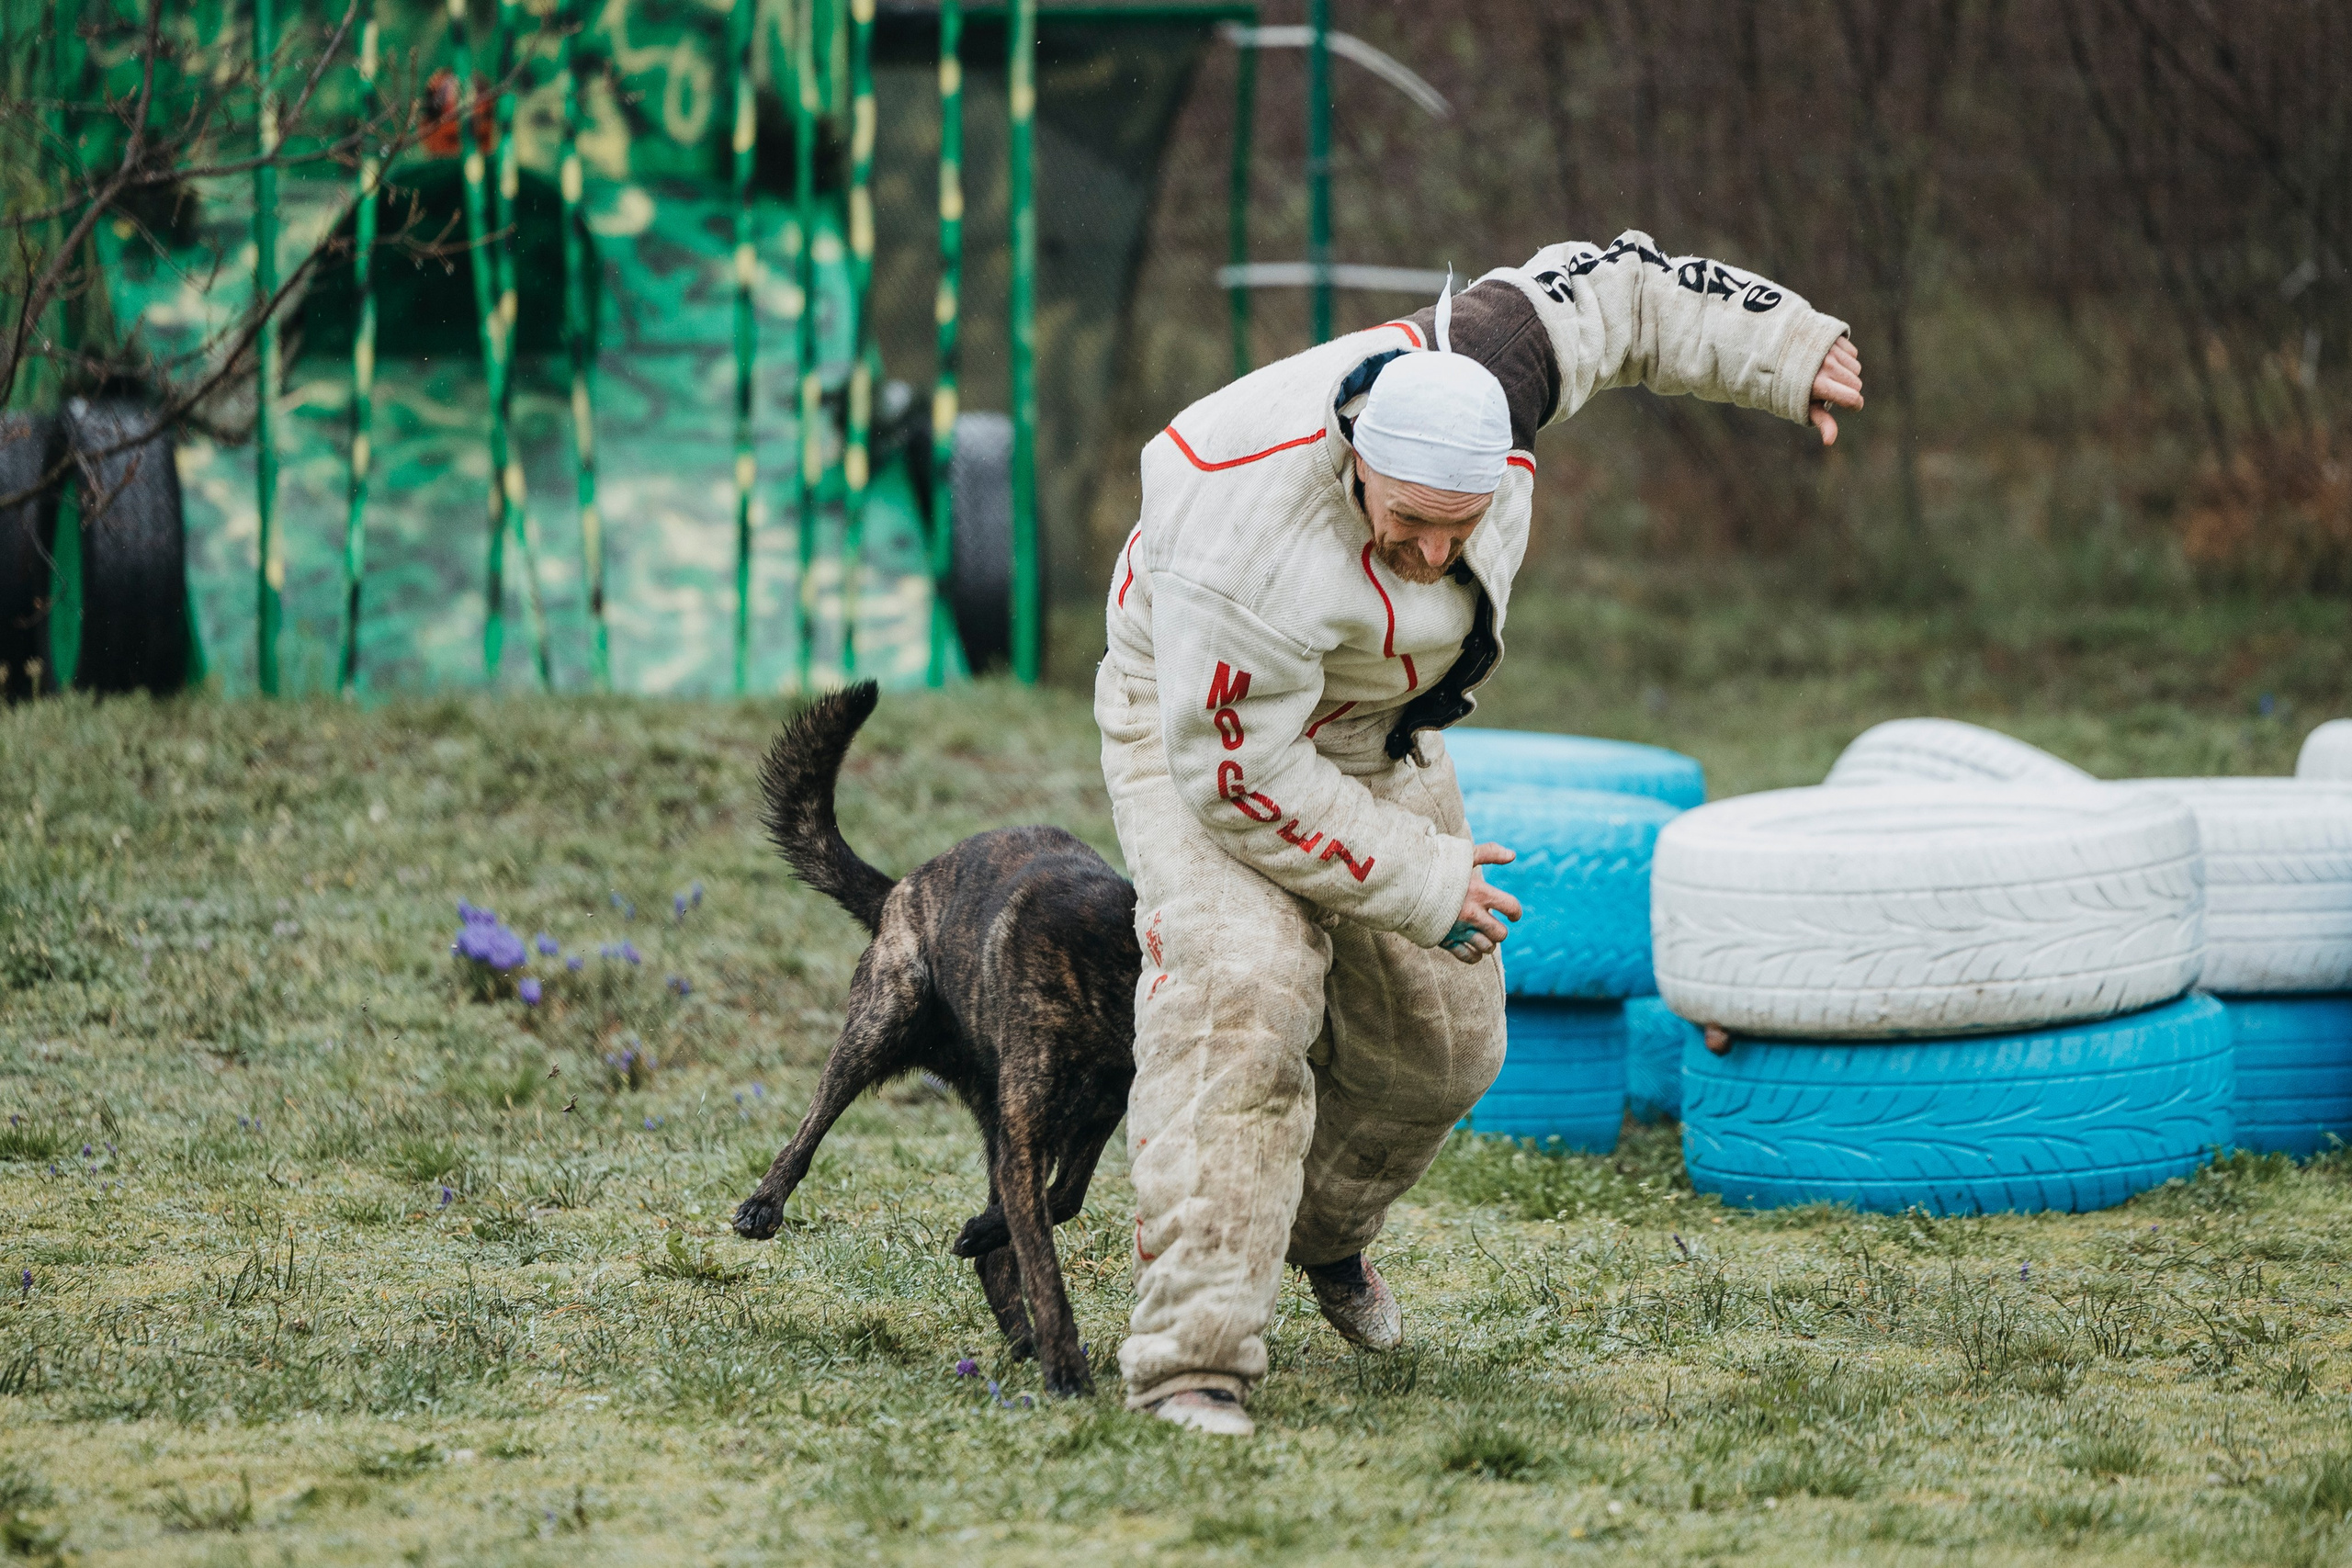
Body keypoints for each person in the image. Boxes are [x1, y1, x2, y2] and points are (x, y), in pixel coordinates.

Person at [1095, 231, 1863, 1437]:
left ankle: (1319, 1239)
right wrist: (1413, 873)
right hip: (1205, 728)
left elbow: (1627, 293)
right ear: (1356, 463)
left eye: (1464, 525)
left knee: (1448, 1048)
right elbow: (1238, 778)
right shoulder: (1244, 544)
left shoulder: (1489, 361)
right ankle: (1194, 1353)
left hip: (1374, 724)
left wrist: (1788, 349)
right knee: (1244, 995)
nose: (1437, 552)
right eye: (1409, 524)